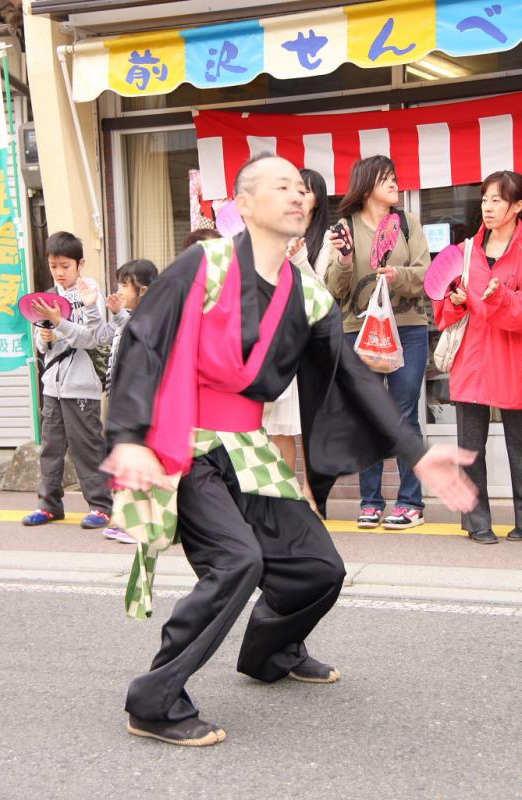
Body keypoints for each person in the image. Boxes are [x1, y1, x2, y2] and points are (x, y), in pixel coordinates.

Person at [102, 154, 476, 748]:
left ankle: (268, 652)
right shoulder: (206, 263)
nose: (297, 195)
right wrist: (127, 437)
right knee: (237, 562)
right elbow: (144, 341)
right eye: (280, 186)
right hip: (188, 442)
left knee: (319, 569)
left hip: (248, 446)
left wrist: (415, 448)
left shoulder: (307, 293)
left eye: (302, 188)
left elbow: (351, 374)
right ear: (244, 205)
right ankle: (153, 698)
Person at [326, 155, 430, 531]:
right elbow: (333, 291)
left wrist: (397, 274)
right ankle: (370, 502)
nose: (395, 183)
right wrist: (345, 259)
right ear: (367, 184)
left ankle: (410, 502)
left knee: (404, 413)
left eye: (395, 177)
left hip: (408, 327)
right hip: (359, 328)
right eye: (387, 178)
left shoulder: (407, 222)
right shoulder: (344, 228)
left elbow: (426, 273)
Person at [433, 170, 522, 545]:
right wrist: (454, 302)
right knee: (470, 446)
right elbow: (444, 311)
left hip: (512, 358)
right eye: (485, 199)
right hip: (471, 358)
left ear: (518, 206)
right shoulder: (466, 250)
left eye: (497, 200)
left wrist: (500, 296)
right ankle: (476, 521)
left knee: (519, 445)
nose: (488, 206)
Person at [22, 231, 112, 529]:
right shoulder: (49, 296)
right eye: (53, 266)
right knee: (51, 447)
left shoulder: (90, 293)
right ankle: (49, 505)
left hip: (81, 386)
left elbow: (93, 339)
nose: (59, 273)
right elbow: (40, 344)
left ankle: (100, 505)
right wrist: (45, 337)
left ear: (80, 263)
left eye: (65, 266)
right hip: (53, 386)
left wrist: (60, 323)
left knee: (86, 446)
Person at [263, 168, 332, 507]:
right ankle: (286, 496)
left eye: (305, 191)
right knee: (279, 425)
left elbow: (324, 295)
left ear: (317, 199)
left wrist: (301, 259)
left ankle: (312, 493)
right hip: (280, 340)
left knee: (309, 425)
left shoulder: (328, 237)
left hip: (312, 342)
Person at [77, 258, 159, 543]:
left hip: (139, 405)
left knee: (139, 460)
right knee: (125, 460)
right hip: (121, 399)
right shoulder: (131, 318)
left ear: (144, 291)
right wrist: (99, 308)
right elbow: (102, 337)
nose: (120, 289)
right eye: (120, 283)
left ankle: (141, 525)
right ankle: (126, 519)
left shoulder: (152, 321)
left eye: (126, 284)